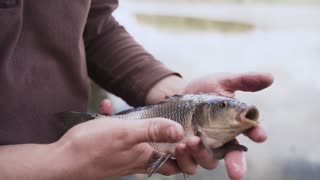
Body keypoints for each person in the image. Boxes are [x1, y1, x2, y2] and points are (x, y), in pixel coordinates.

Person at [0, 1, 273, 180]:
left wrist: (177, 92)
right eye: (222, 107)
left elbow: (95, 26)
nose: (231, 109)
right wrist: (60, 162)